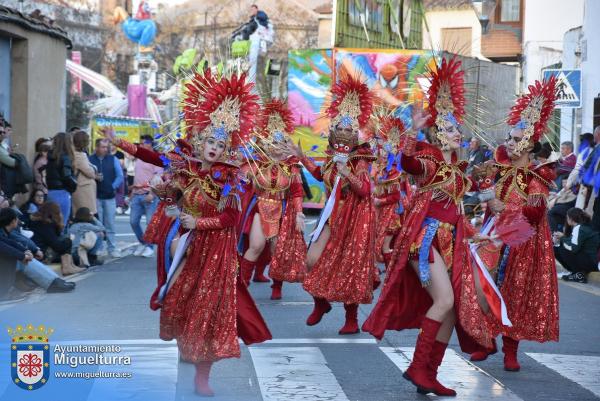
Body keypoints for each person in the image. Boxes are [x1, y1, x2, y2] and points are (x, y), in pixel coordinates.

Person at [362, 57, 495, 397]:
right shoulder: (431, 161)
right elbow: (405, 163)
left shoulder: (460, 168)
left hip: (451, 241)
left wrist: (479, 227)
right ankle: (417, 368)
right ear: (437, 132)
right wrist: (412, 131)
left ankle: (428, 373)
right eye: (447, 128)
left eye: (456, 129)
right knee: (445, 300)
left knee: (450, 311)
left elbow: (459, 207)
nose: (454, 133)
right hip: (425, 240)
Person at [155, 72, 271, 397]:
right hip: (189, 248)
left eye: (221, 144)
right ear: (201, 141)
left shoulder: (230, 179)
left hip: (217, 251)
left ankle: (202, 376)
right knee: (177, 299)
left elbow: (231, 219)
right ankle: (185, 351)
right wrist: (162, 191)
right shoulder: (189, 170)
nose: (214, 148)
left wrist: (199, 224)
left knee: (208, 311)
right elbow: (173, 197)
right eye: (211, 142)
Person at [469, 76, 560, 371]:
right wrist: (483, 185)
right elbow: (480, 192)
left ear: (529, 144)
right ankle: (486, 339)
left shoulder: (537, 178)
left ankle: (510, 349)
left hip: (522, 242)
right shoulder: (501, 170)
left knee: (513, 292)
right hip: (495, 236)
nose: (508, 143)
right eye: (508, 138)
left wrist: (502, 208)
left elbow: (534, 215)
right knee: (482, 283)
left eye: (514, 139)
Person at [290, 75, 379, 336]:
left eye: (348, 130)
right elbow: (321, 176)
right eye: (339, 128)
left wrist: (347, 172)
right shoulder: (331, 155)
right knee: (311, 259)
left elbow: (364, 190)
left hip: (354, 219)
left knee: (350, 267)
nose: (342, 134)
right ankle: (321, 303)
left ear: (355, 135)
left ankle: (351, 318)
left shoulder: (361, 159)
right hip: (332, 217)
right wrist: (302, 158)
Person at [238, 100, 306, 300]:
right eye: (272, 143)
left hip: (282, 211)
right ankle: (241, 285)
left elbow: (296, 191)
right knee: (256, 246)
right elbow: (239, 179)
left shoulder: (291, 167)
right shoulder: (254, 164)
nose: (276, 148)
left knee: (279, 251)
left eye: (280, 143)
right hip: (259, 207)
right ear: (264, 143)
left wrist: (300, 213)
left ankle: (277, 286)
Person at [0, 207, 75, 293]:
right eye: (17, 219)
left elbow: (10, 243)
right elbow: (4, 246)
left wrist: (25, 251)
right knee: (25, 261)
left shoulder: (4, 232)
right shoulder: (3, 231)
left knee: (26, 259)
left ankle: (55, 281)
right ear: (13, 221)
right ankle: (53, 283)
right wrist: (23, 255)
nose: (18, 221)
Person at [371, 115, 412, 271]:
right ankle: (391, 271)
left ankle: (392, 272)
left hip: (392, 214)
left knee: (385, 246)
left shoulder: (395, 172)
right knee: (380, 245)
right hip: (383, 212)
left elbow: (395, 196)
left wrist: (378, 202)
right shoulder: (383, 169)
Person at [128, 135, 163, 258]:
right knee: (133, 221)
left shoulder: (154, 159)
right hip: (137, 194)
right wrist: (132, 193)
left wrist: (152, 193)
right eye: (141, 143)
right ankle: (144, 243)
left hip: (149, 195)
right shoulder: (138, 158)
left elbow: (158, 178)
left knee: (150, 223)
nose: (141, 145)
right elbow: (137, 176)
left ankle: (149, 247)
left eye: (143, 143)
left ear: (150, 144)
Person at [89, 138, 124, 258]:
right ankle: (98, 248)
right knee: (98, 225)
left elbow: (120, 176)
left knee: (110, 225)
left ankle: (112, 248)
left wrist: (112, 187)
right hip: (95, 197)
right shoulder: (90, 159)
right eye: (103, 147)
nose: (105, 149)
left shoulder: (113, 159)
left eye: (106, 147)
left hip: (109, 197)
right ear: (96, 147)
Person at [29, 202, 85, 275]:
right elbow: (57, 246)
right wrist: (70, 240)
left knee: (66, 240)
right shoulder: (45, 225)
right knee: (68, 241)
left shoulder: (38, 221)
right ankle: (67, 267)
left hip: (37, 251)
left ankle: (71, 266)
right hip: (42, 254)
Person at [554, 207, 600, 283]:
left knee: (559, 248)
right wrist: (563, 237)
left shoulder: (579, 228)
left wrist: (562, 239)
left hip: (591, 262)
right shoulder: (583, 226)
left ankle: (577, 273)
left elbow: (573, 248)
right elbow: (574, 242)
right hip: (592, 261)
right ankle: (575, 272)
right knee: (559, 247)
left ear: (571, 219)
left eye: (567, 217)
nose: (566, 219)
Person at [45, 132, 76, 228]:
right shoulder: (65, 157)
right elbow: (66, 176)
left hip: (50, 191)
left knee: (51, 224)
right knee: (61, 224)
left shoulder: (50, 157)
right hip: (62, 192)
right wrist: (74, 185)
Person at [71, 130, 98, 215]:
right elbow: (90, 173)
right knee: (86, 215)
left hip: (84, 188)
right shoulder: (79, 155)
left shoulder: (79, 154)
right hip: (83, 189)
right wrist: (94, 170)